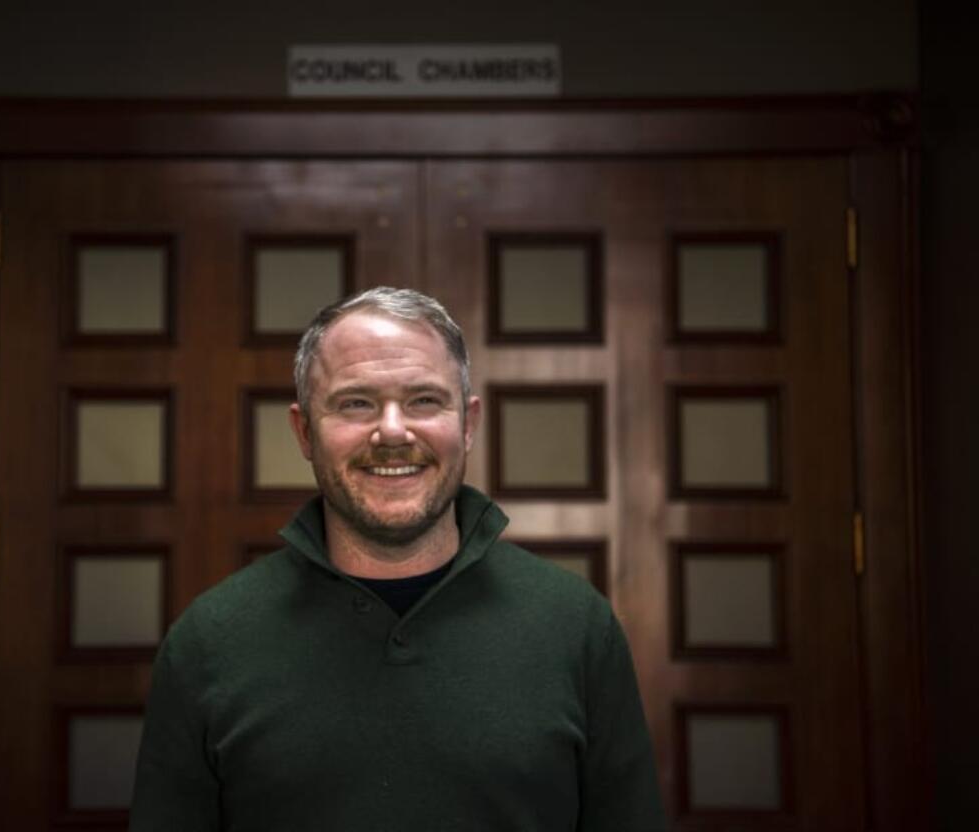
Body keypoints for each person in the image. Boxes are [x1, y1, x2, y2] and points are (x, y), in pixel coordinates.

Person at [129, 287, 666, 831]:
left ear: (469, 424)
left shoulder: (576, 627)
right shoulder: (208, 643)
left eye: (424, 401)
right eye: (356, 402)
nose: (391, 431)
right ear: (304, 431)